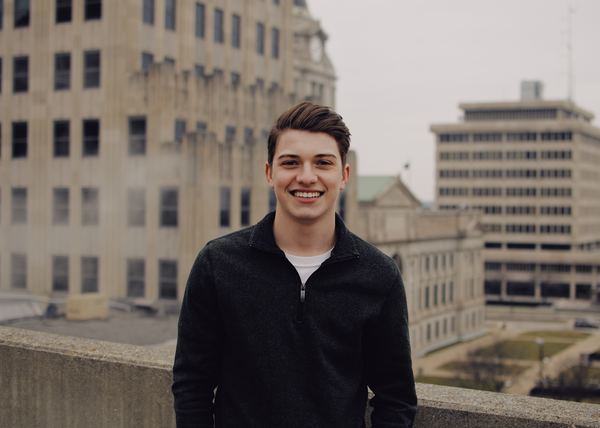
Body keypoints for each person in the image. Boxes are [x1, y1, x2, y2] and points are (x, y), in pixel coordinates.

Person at [172, 101, 417, 427]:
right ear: (269, 173)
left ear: (343, 176)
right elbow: (192, 383)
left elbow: (396, 398)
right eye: (290, 162)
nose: (306, 177)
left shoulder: (379, 276)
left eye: (322, 163)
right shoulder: (217, 264)